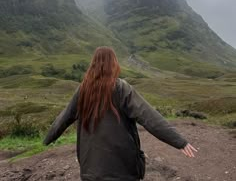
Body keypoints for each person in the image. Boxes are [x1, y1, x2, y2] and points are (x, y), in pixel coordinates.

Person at [43, 46, 197, 181]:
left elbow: (63, 119)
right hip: (122, 169)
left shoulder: (83, 90)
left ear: (94, 64)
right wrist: (179, 141)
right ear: (113, 63)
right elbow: (148, 116)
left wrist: (47, 140)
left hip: (90, 170)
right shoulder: (121, 88)